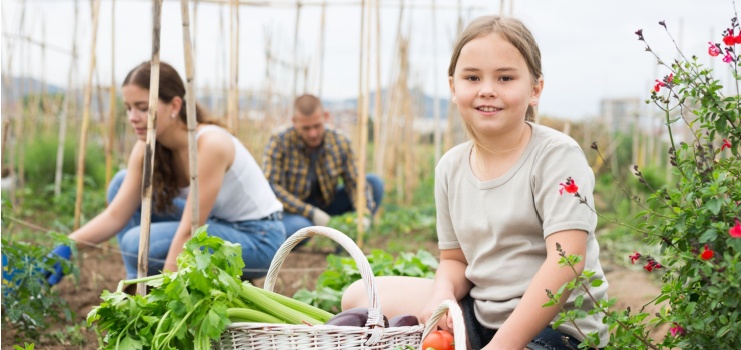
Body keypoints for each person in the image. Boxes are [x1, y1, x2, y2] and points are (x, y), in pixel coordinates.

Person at [341, 16, 609, 349]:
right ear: (454, 88)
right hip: (482, 314)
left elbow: (566, 263)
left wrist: (501, 345)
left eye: (505, 77)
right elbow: (455, 260)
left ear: (535, 89)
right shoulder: (451, 166)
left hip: (557, 328)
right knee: (358, 296)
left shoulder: (555, 156)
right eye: (472, 77)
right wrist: (442, 295)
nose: (487, 89)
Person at [47, 61, 286, 285]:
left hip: (258, 237)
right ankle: (136, 283)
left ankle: (146, 289)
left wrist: (165, 294)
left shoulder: (211, 144)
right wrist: (67, 246)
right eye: (128, 108)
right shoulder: (147, 147)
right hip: (217, 223)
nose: (132, 118)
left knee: (136, 243)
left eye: (142, 108)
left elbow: (189, 230)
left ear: (174, 106)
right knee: (121, 183)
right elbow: (115, 216)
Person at [262, 94, 384, 238]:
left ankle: (348, 240)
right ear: (294, 122)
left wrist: (364, 213)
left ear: (325, 117)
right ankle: (296, 238)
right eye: (306, 128)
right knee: (300, 227)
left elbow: (355, 182)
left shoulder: (340, 141)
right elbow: (272, 187)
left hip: (328, 206)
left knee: (374, 184)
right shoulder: (280, 141)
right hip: (294, 211)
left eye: (317, 126)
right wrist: (311, 213)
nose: (313, 133)